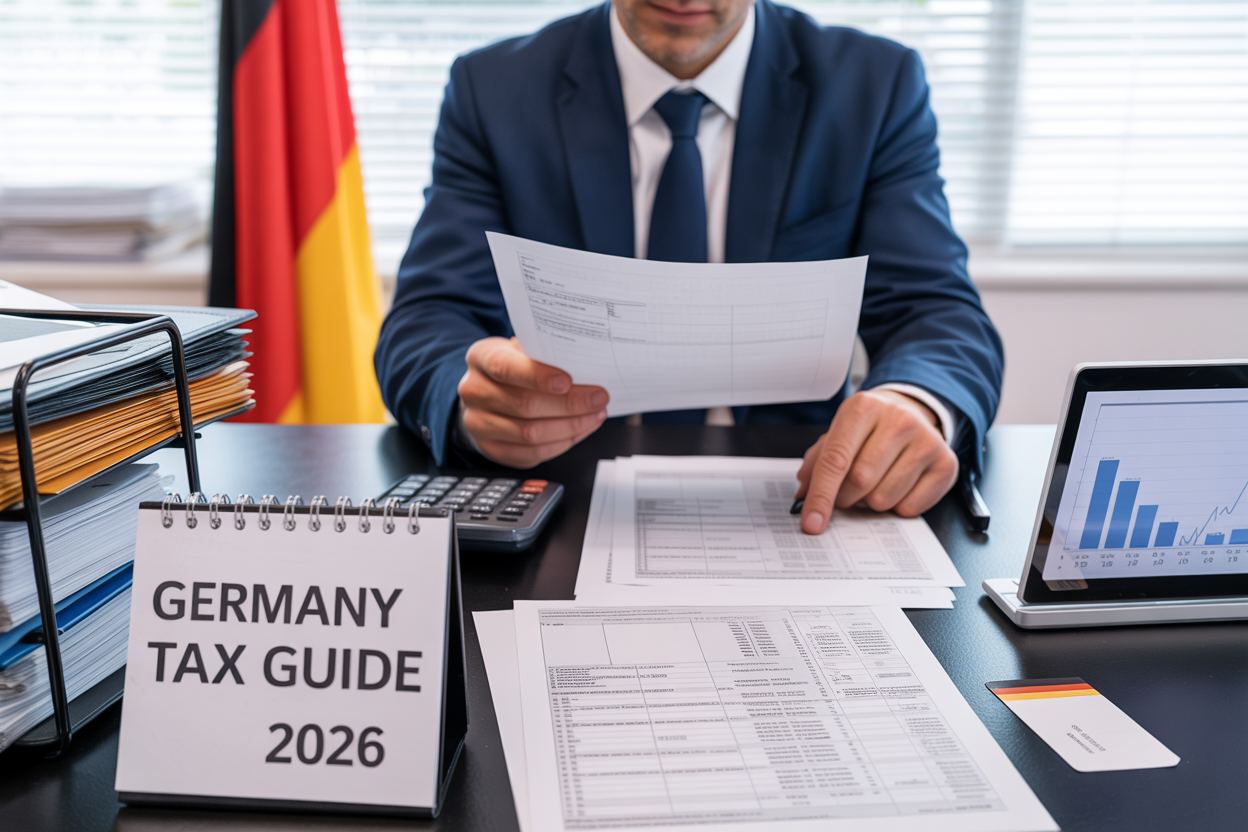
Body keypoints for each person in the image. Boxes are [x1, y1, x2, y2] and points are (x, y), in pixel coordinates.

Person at [375, 0, 1004, 534]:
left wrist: (915, 403)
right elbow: (429, 318)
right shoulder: (494, 89)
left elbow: (934, 310)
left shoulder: (873, 85)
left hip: (805, 494)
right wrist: (470, 406)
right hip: (562, 499)